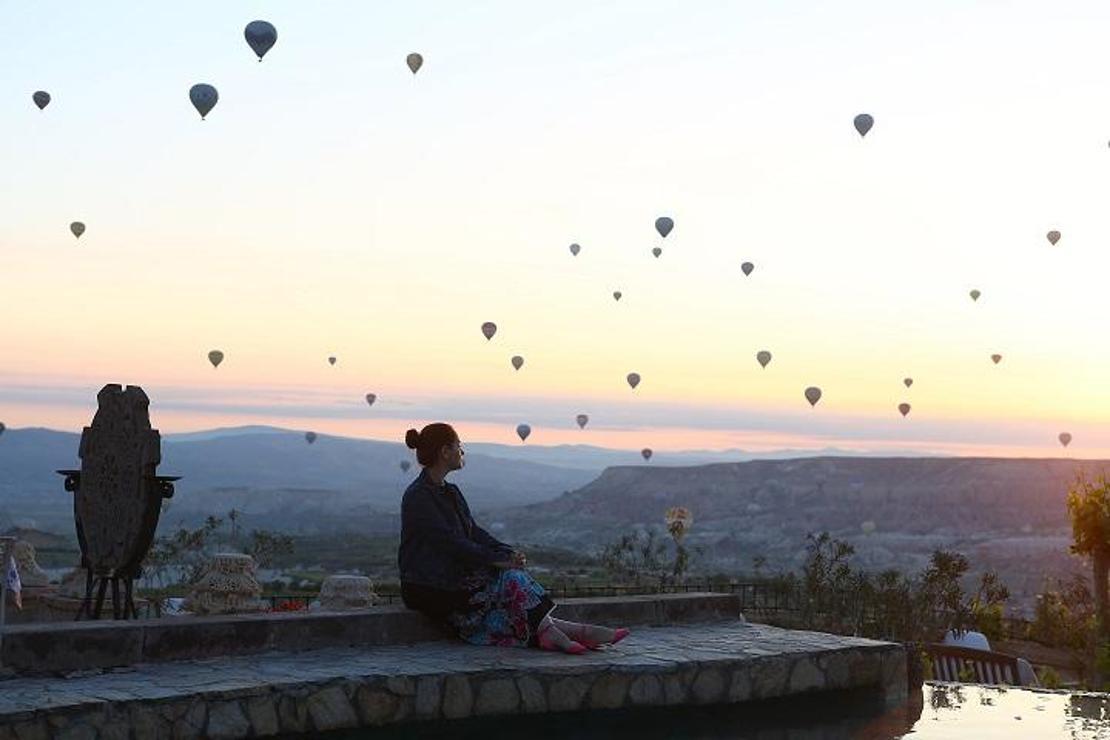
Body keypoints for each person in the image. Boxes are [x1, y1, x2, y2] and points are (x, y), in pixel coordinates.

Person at [398, 422, 629, 654]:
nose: (462, 451)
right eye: (459, 446)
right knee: (510, 580)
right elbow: (449, 543)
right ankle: (578, 633)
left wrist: (505, 551)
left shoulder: (451, 492)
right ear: (445, 452)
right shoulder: (418, 497)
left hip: (452, 578)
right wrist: (495, 560)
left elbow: (473, 532)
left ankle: (568, 633)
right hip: (429, 587)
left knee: (510, 576)